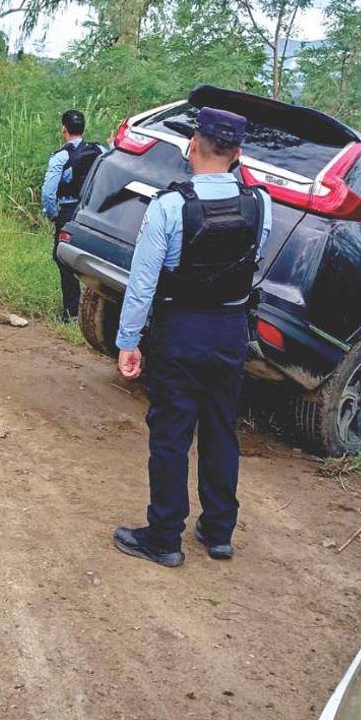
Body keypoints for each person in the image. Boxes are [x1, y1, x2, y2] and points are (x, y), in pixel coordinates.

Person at [111, 106, 271, 568]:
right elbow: (253, 263)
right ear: (238, 154)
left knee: (171, 434)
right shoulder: (261, 204)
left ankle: (164, 536)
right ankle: (218, 531)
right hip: (229, 331)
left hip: (179, 330)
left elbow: (142, 282)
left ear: (192, 147)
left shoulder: (169, 206)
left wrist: (128, 341)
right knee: (222, 429)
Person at [41, 109, 103, 321]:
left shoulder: (61, 156)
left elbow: (48, 192)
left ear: (63, 129)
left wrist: (52, 214)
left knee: (63, 259)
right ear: (83, 129)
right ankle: (96, 309)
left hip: (68, 212)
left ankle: (71, 311)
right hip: (92, 212)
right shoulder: (100, 150)